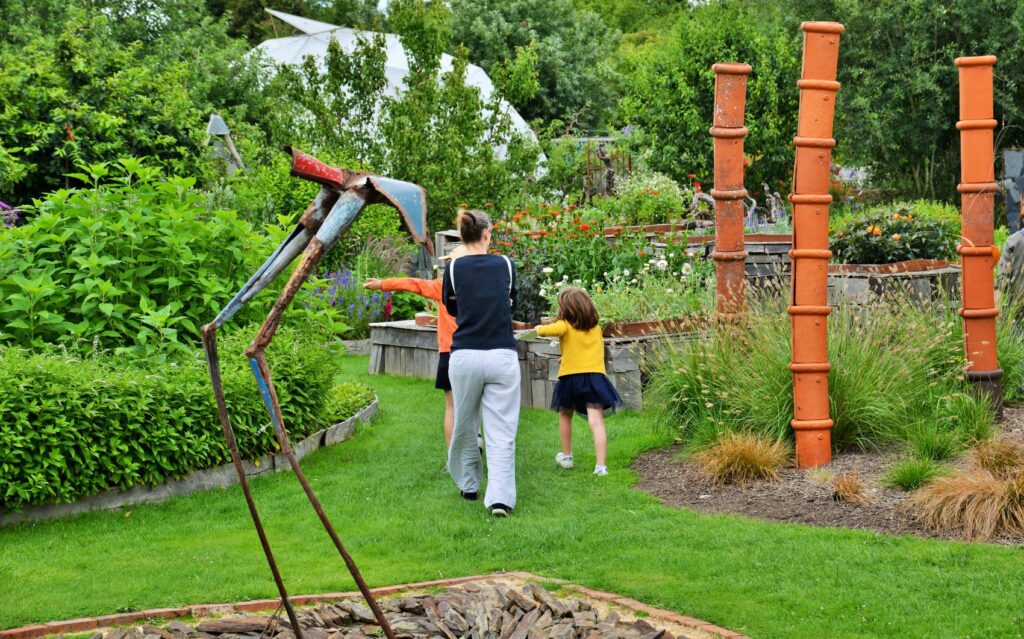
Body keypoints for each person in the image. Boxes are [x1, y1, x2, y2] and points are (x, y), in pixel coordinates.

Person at [364, 246, 481, 461]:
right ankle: (475, 443)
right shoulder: (481, 288)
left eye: (449, 263)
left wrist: (383, 284)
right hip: (476, 352)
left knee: (452, 407)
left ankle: (453, 460)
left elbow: (413, 284)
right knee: (475, 404)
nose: (445, 268)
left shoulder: (443, 287)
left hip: (451, 353)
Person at [442, 209, 520, 517]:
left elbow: (450, 308)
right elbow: (513, 301)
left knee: (464, 423)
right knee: (501, 430)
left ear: (462, 236)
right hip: (502, 355)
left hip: (464, 356)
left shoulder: (452, 268)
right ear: (487, 234)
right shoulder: (505, 265)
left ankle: (468, 485)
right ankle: (499, 499)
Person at [536, 287, 621, 476]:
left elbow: (544, 331)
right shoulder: (596, 329)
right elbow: (588, 351)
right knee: (596, 421)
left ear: (567, 309)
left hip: (570, 379)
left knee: (565, 414)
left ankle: (566, 457)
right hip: (594, 378)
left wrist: (537, 328)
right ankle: (601, 467)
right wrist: (565, 357)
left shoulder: (564, 325)